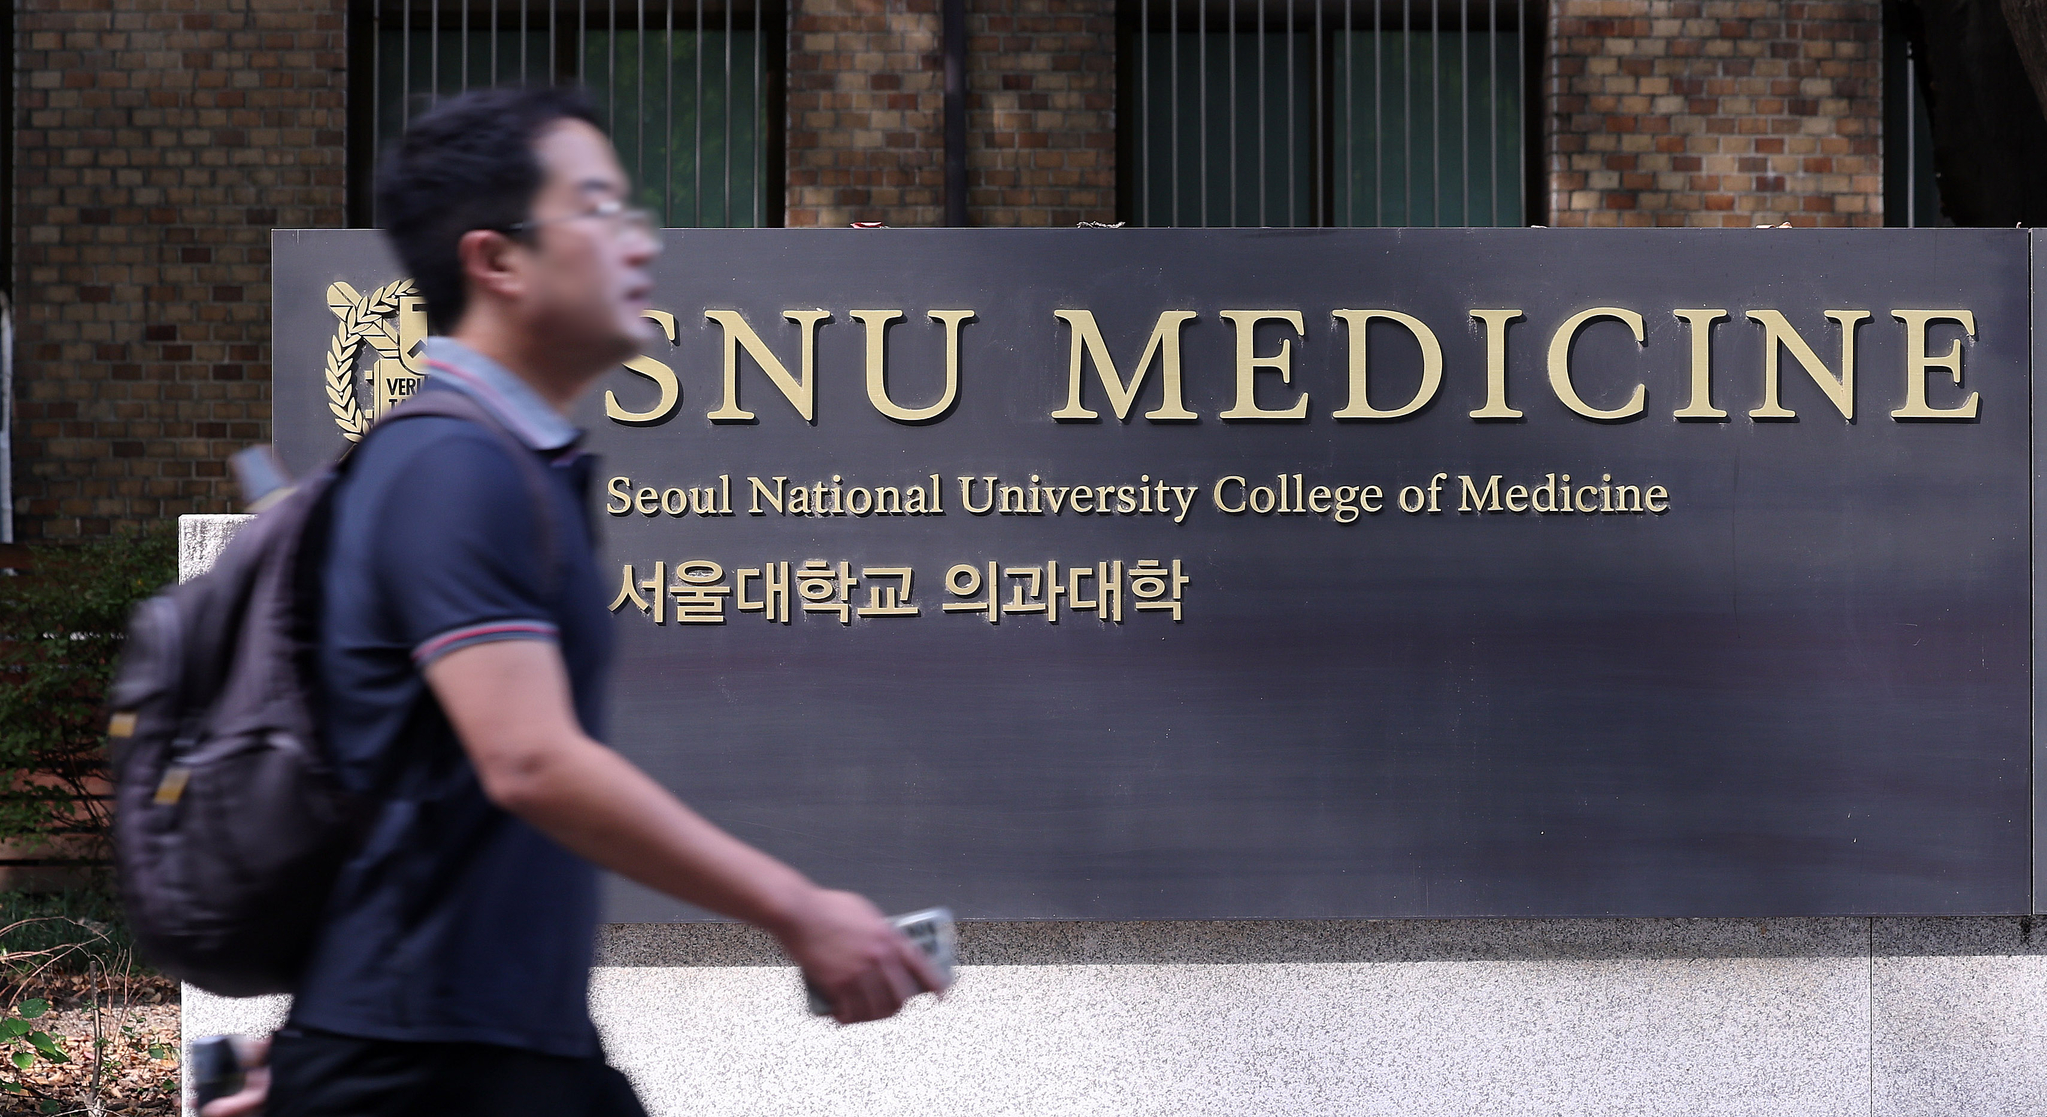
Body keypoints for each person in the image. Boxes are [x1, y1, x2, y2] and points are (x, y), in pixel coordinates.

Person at [254, 86, 944, 1117]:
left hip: (474, 1043)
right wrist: (799, 909)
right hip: (440, 1063)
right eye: (597, 208)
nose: (640, 242)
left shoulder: (500, 460)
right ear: (496, 261)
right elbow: (529, 757)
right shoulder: (453, 462)